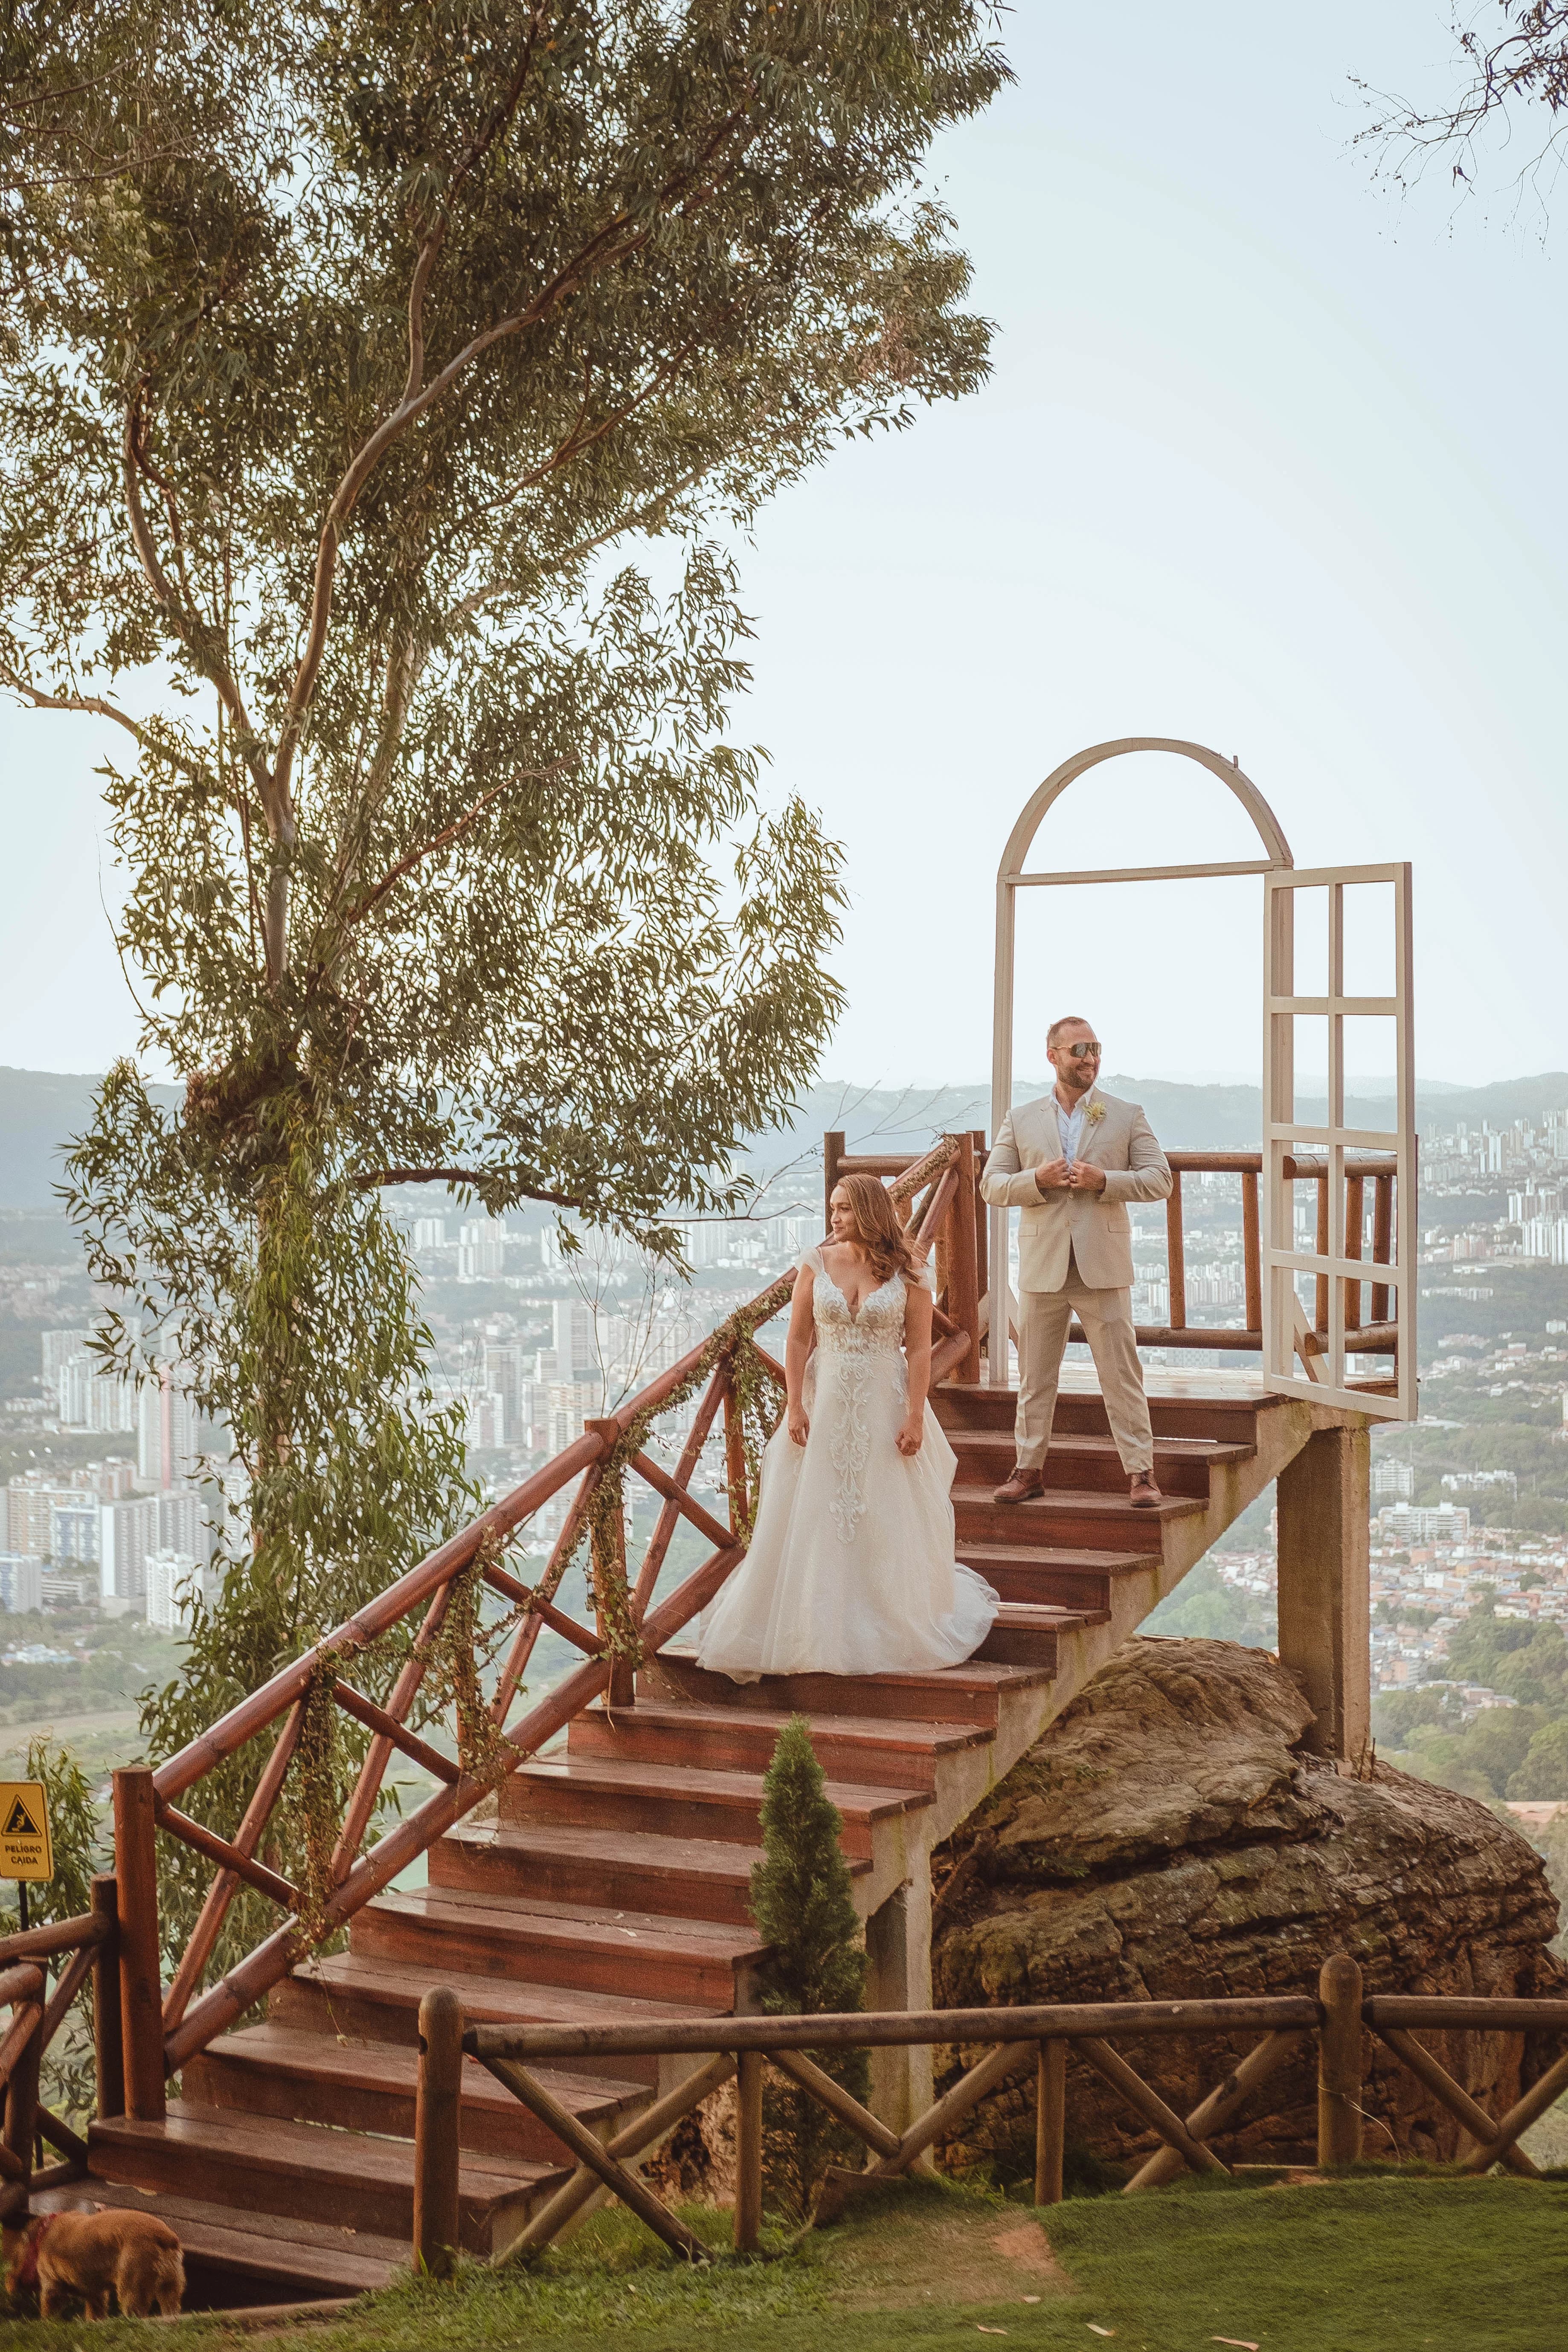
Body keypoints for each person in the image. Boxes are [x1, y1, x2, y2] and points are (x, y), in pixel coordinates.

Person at [695, 1172, 999, 1680]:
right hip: (826, 1400)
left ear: (871, 1212)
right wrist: (795, 1405)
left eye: (845, 1210)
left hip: (885, 1399)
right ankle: (809, 1623)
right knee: (816, 1508)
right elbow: (796, 1341)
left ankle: (884, 1619)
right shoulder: (816, 1263)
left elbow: (919, 1349)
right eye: (832, 1209)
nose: (835, 1219)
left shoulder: (911, 1274)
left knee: (881, 1506)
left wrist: (916, 1414)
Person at [980, 1016, 1172, 1508]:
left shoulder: (1126, 1114)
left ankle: (1141, 1475)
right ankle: (1027, 1471)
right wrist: (1036, 1180)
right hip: (1043, 1267)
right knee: (1035, 1376)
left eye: (1096, 1049)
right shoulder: (1020, 1119)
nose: (1090, 1058)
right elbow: (991, 1185)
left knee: (1120, 1373)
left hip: (1102, 1267)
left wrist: (1104, 1180)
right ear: (1053, 1055)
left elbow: (1159, 1180)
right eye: (1080, 1049)